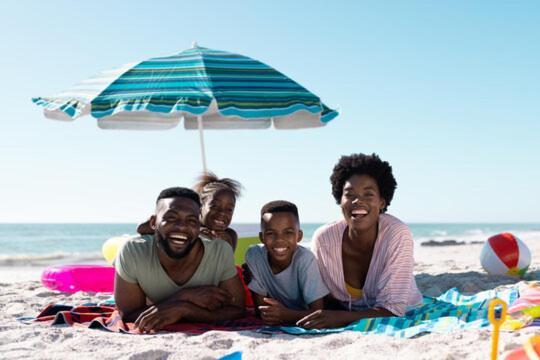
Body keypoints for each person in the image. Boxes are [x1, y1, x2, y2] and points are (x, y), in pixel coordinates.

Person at [297, 153, 422, 329]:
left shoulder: (397, 234)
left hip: (406, 310)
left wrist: (342, 318)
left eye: (368, 194)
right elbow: (322, 297)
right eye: (349, 194)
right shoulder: (324, 239)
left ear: (381, 202)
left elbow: (393, 309)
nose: (358, 201)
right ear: (340, 200)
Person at [115, 187, 245, 333]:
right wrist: (184, 297)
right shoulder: (134, 251)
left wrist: (185, 309)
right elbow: (127, 314)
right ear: (153, 222)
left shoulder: (220, 249)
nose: (182, 226)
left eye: (191, 220)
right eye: (171, 218)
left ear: (198, 224)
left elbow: (237, 309)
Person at [245, 200, 329, 325]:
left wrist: (286, 315)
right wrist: (273, 314)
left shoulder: (305, 259)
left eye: (288, 232)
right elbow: (262, 311)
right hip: (285, 316)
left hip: (301, 314)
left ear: (299, 236)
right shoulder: (254, 255)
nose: (279, 240)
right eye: (270, 233)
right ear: (262, 237)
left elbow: (318, 312)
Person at [137, 172, 241, 251]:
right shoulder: (186, 223)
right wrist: (194, 232)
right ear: (200, 206)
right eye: (214, 206)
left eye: (229, 209)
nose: (222, 213)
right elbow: (141, 228)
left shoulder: (230, 235)